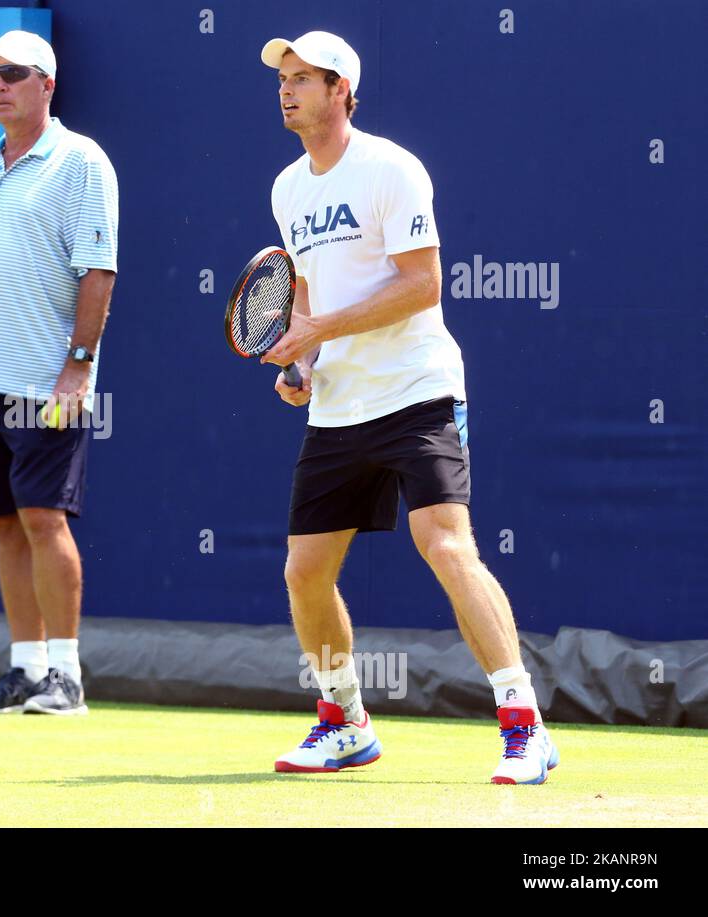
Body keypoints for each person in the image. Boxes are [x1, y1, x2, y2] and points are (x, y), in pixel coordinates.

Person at [260, 31, 559, 783]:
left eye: (303, 78)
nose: (286, 89)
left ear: (341, 91)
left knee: (447, 544)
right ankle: (345, 720)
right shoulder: (287, 188)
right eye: (282, 79)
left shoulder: (391, 169)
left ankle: (525, 725)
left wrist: (320, 328)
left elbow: (423, 284)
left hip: (416, 390)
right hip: (337, 406)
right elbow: (305, 292)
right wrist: (303, 360)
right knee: (304, 571)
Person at [0, 30, 118, 715]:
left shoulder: (82, 162)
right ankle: (26, 667)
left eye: (12, 74)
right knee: (5, 524)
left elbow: (98, 271)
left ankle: (67, 677)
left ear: (47, 84)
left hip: (47, 382)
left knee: (44, 517)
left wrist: (77, 368)